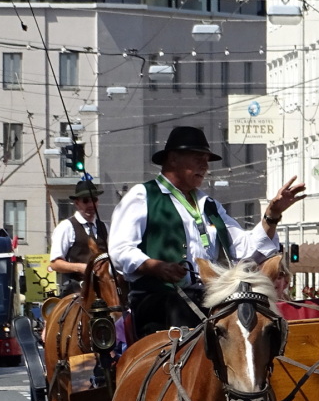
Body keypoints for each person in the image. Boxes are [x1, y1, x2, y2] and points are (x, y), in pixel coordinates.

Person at [108, 125, 307, 337]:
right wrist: (155, 267)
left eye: (206, 160)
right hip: (160, 305)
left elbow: (246, 249)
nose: (205, 166)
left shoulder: (209, 204)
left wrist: (272, 214)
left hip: (208, 300)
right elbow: (119, 250)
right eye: (198, 158)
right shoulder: (142, 195)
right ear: (173, 159)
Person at [49, 177, 109, 296]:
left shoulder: (104, 227)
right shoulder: (66, 227)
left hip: (103, 288)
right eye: (86, 201)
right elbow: (55, 263)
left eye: (94, 200)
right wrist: (81, 267)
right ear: (77, 203)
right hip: (76, 289)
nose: (91, 205)